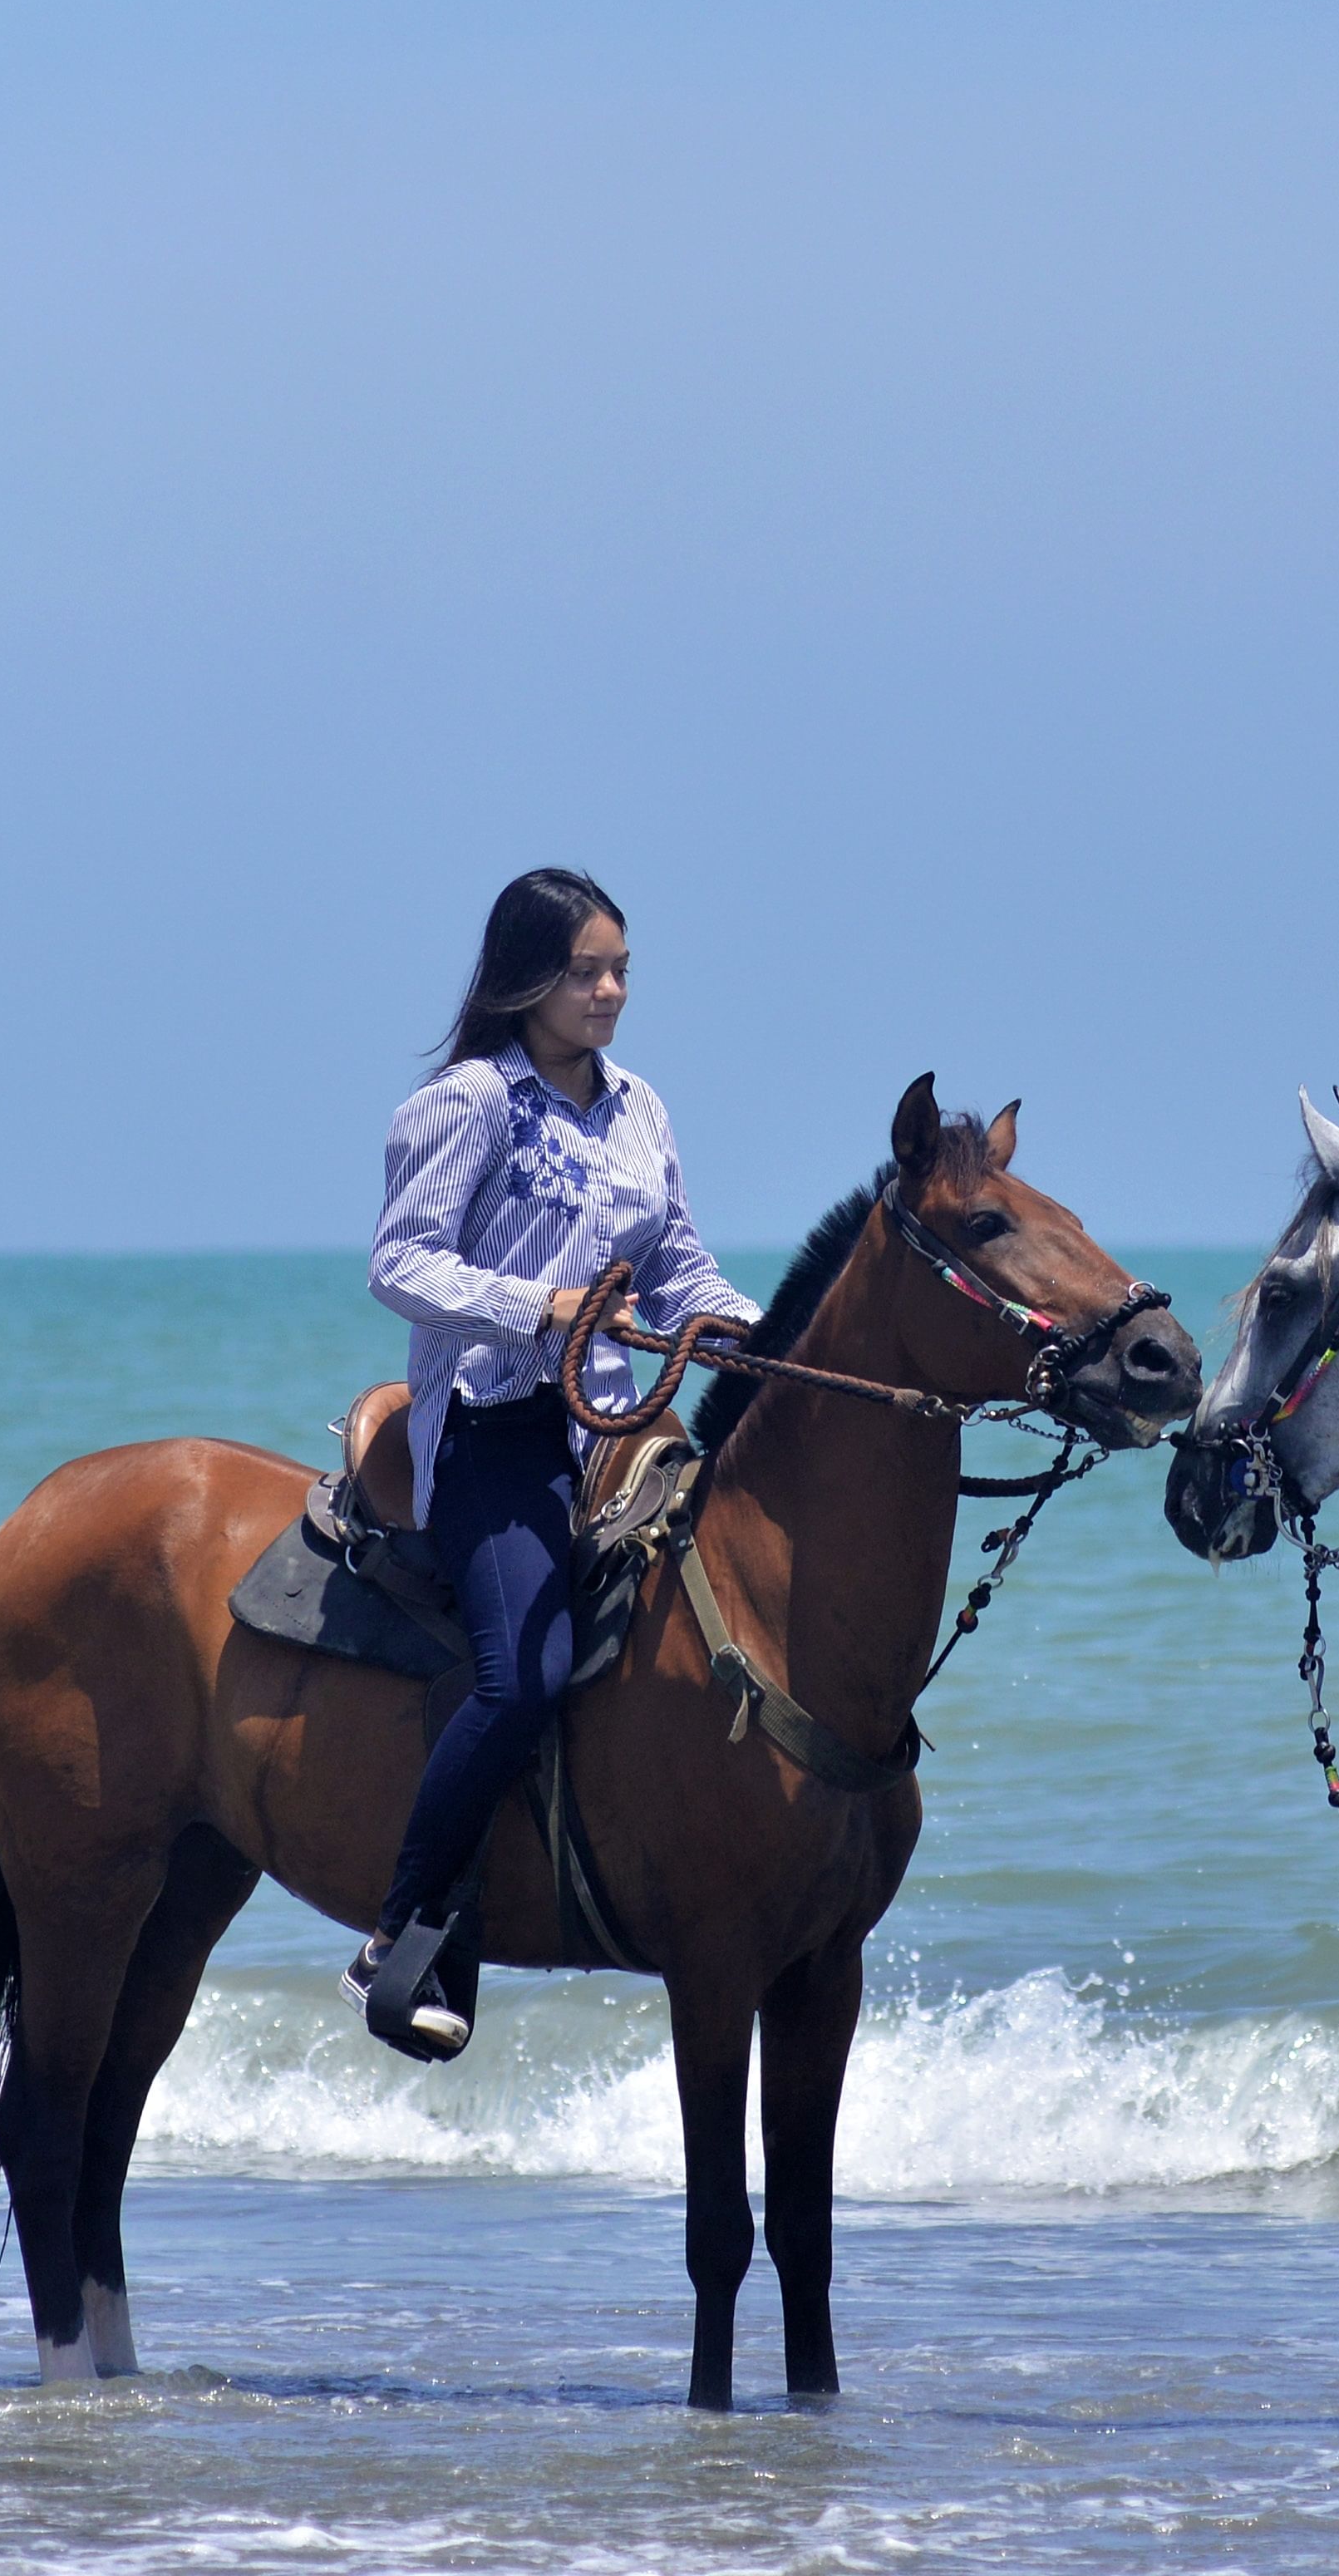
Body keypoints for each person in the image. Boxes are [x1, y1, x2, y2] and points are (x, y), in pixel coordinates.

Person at [347, 867, 758, 2054]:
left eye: (622, 968)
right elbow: (399, 1264)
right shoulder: (467, 1104)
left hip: (620, 1435)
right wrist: (541, 1306)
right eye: (588, 971)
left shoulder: (642, 1109)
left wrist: (755, 1333)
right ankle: (402, 1929)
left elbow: (680, 1266)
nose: (612, 991)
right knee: (523, 1676)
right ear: (528, 977)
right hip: (494, 1426)